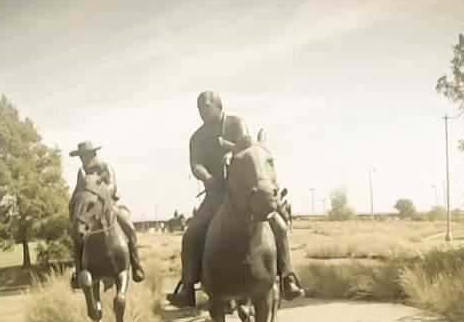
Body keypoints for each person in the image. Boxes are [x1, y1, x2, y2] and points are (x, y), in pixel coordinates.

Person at [166, 91, 305, 308]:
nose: (203, 112)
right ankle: (187, 286)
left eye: (207, 107)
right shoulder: (197, 137)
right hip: (215, 195)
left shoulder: (236, 123)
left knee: (279, 226)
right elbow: (196, 165)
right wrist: (208, 177)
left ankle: (287, 277)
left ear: (218, 106)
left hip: (244, 193)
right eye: (200, 109)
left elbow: (245, 146)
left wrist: (231, 157)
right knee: (192, 235)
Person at [68, 141, 145, 288]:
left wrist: (100, 196)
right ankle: (79, 272)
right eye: (81, 157)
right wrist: (75, 201)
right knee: (77, 237)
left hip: (109, 205)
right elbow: (78, 191)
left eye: (85, 156)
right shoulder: (81, 173)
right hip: (89, 210)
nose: (83, 159)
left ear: (93, 154)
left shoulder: (105, 167)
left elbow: (112, 185)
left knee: (129, 226)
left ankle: (136, 265)